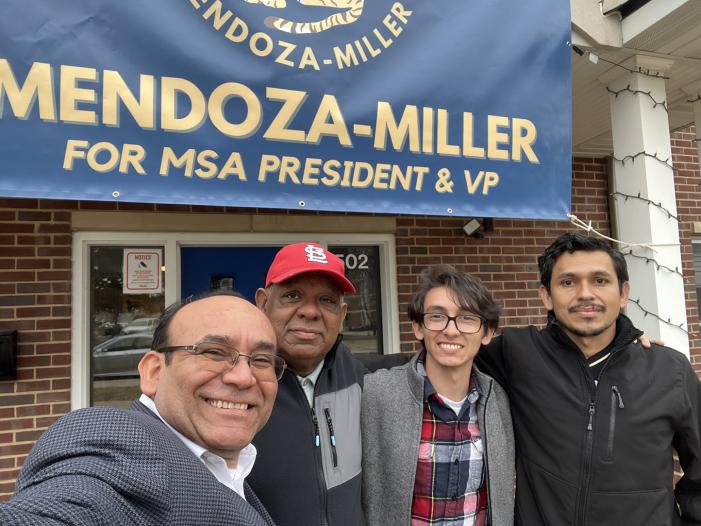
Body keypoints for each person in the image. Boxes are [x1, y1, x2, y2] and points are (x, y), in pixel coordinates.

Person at [476, 232, 701, 525]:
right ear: (546, 295)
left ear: (623, 293)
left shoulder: (670, 370)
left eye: (600, 280)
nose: (585, 294)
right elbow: (438, 358)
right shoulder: (516, 354)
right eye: (568, 282)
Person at [0, 292, 283, 526]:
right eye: (213, 352)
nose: (244, 377)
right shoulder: (118, 446)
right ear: (154, 371)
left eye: (260, 359)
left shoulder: (229, 465)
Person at [362, 265, 515, 526]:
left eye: (467, 318)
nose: (451, 330)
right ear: (418, 327)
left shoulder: (497, 399)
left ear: (487, 332)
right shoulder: (375, 394)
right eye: (437, 316)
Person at [249, 242, 367, 526]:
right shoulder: (233, 387)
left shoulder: (362, 382)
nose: (310, 312)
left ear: (342, 315)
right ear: (263, 303)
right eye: (292, 296)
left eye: (326, 301)